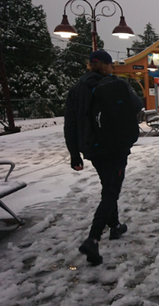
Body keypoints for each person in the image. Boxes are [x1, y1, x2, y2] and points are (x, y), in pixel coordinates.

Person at [64, 50, 143, 266]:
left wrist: (74, 154)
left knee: (107, 185)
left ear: (89, 65)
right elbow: (137, 106)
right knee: (111, 190)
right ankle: (93, 237)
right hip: (115, 147)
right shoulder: (115, 84)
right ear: (107, 65)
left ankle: (115, 226)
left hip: (92, 149)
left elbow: (70, 123)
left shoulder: (76, 90)